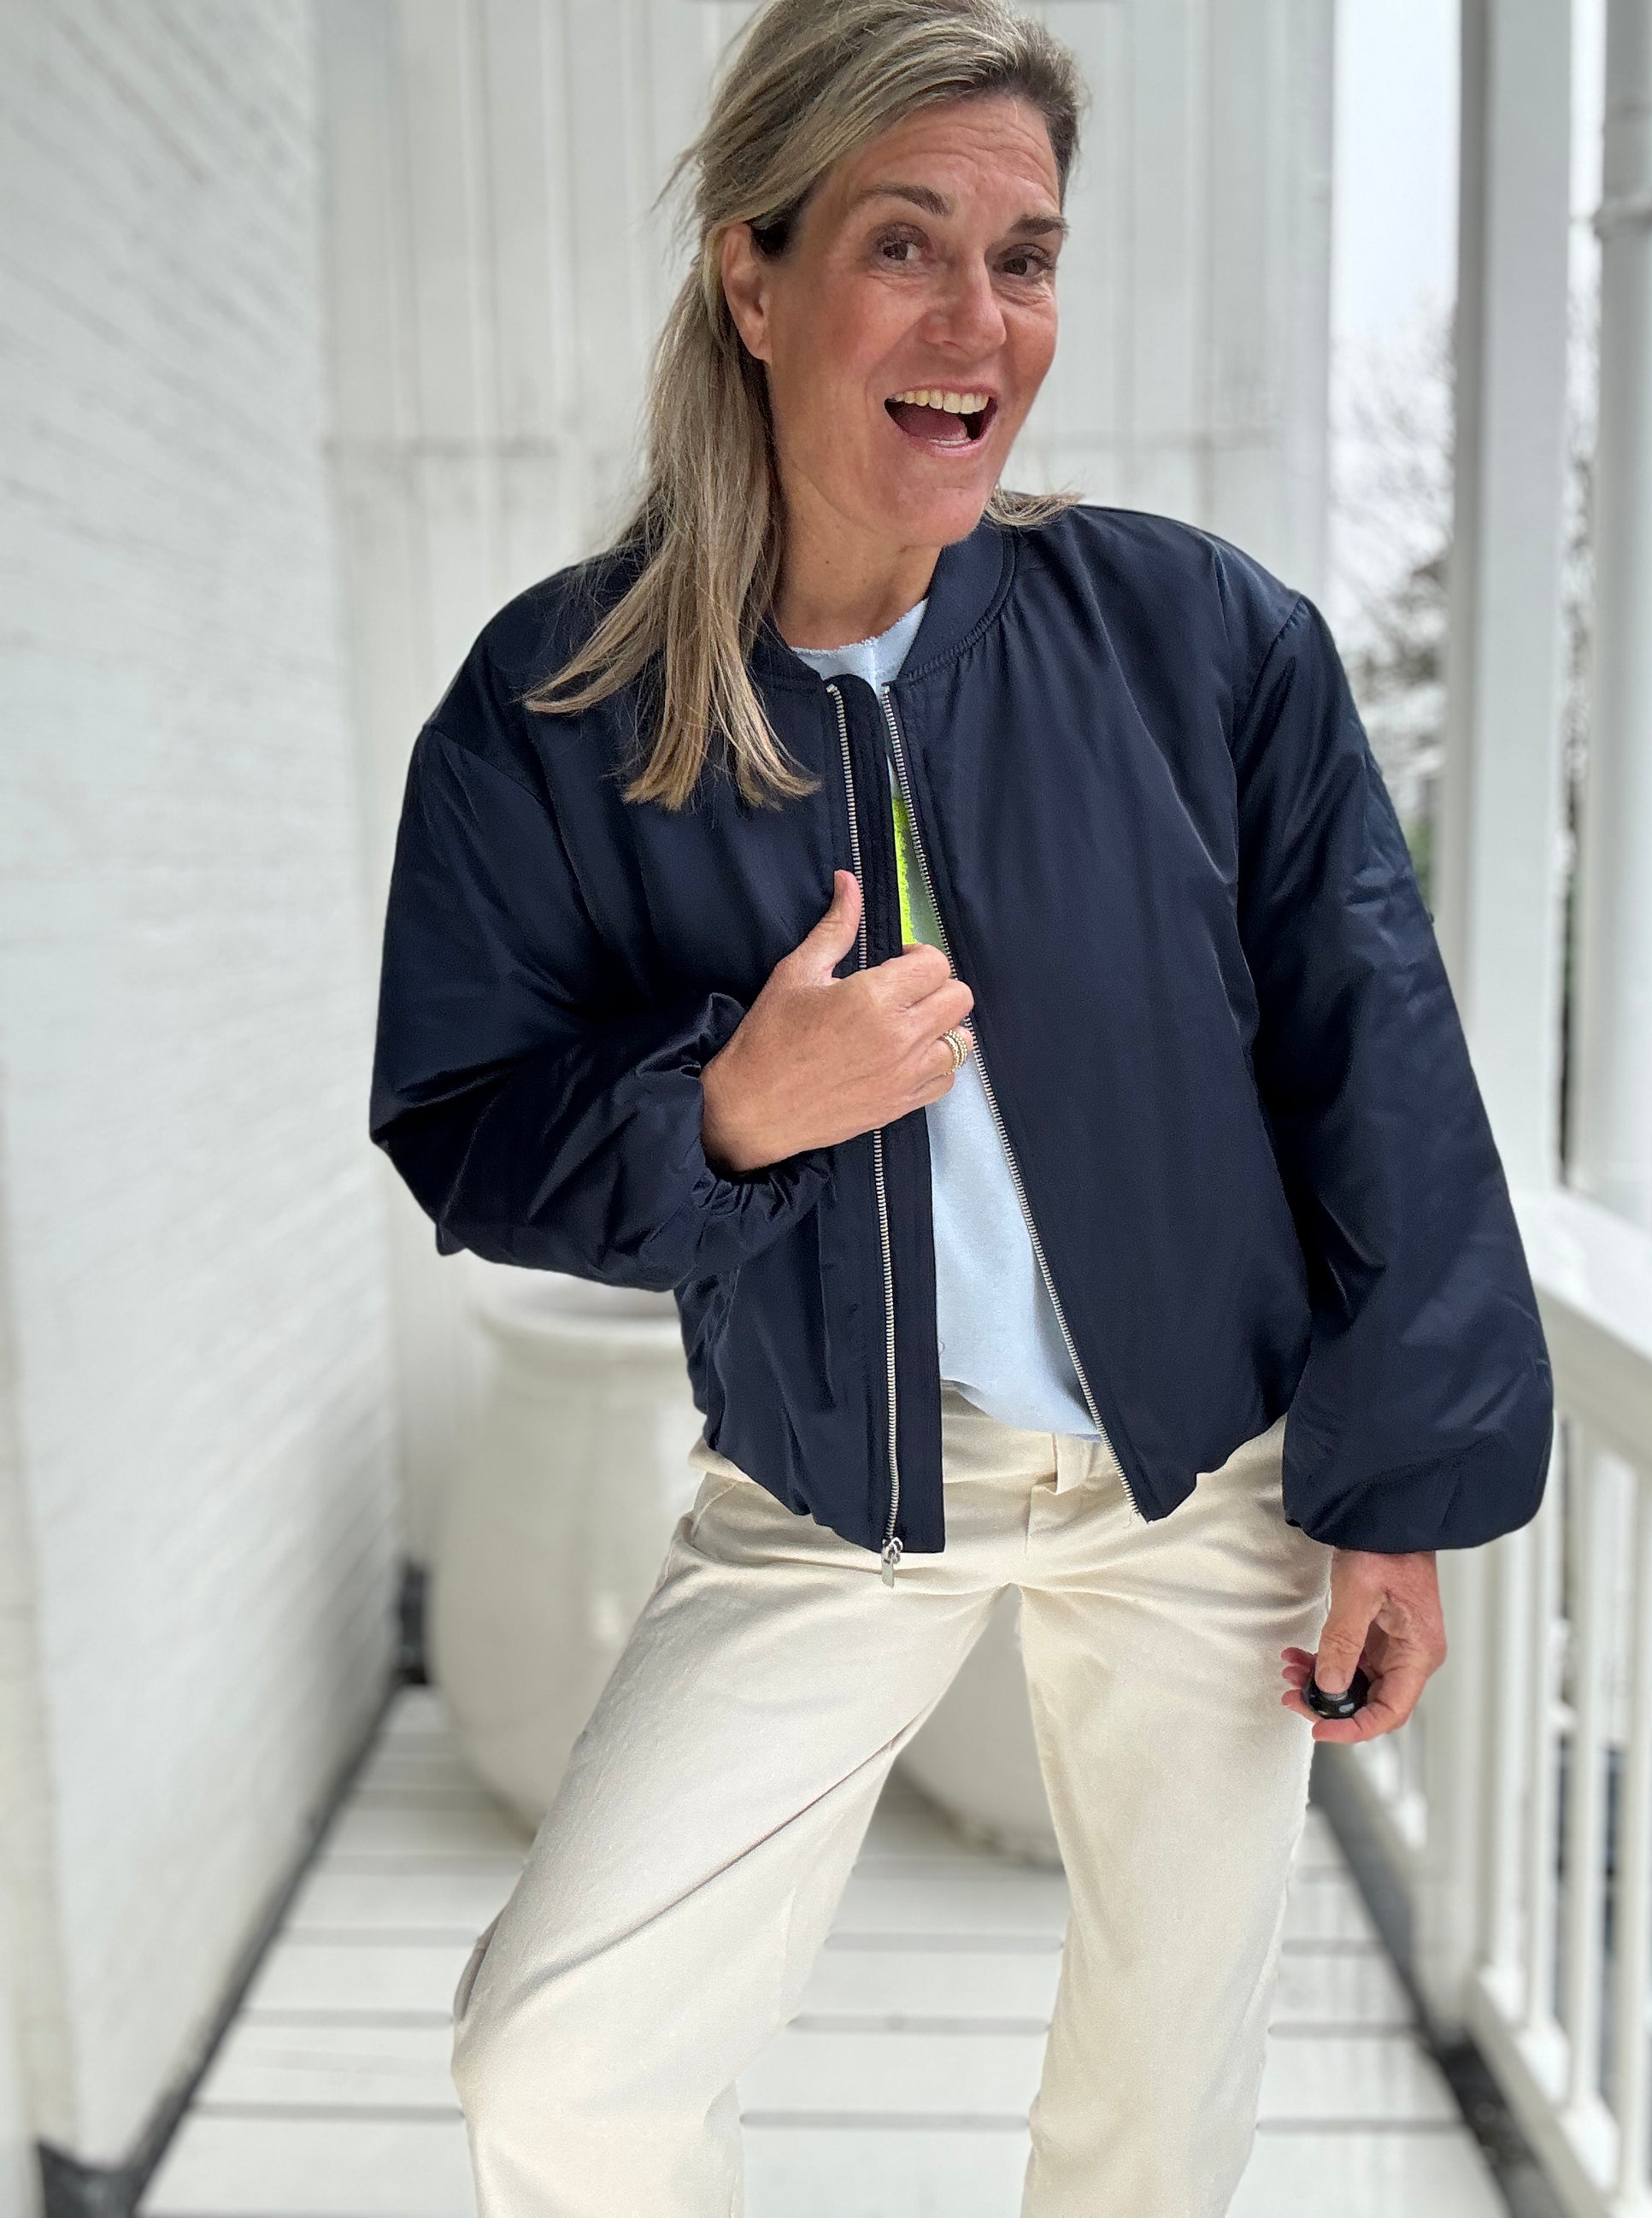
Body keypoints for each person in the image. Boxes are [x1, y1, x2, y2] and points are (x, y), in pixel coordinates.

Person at [367, 1, 1554, 2209]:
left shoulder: (1199, 641)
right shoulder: (563, 701)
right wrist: (726, 1111)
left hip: (1210, 1479)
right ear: (752, 277)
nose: (976, 321)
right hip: (831, 1477)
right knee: (560, 2060)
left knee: (1155, 2119)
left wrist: (1393, 1494)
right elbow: (458, 1107)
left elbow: (1376, 1066)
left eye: (1024, 257)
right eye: (902, 244)